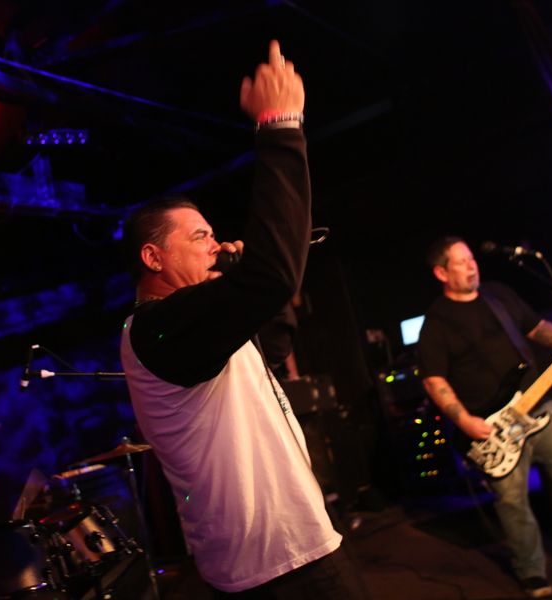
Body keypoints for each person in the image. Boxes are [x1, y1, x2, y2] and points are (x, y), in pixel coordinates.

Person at [120, 41, 365, 598]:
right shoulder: (156, 329)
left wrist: (247, 284)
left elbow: (270, 348)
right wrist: (280, 124)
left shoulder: (193, 327)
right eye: (199, 237)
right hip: (277, 566)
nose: (214, 244)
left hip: (284, 553)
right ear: (153, 258)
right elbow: (273, 276)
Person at [417, 236, 552, 598]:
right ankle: (531, 573)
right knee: (513, 501)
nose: (471, 266)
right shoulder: (437, 323)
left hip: (538, 406)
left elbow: (535, 327)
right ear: (441, 273)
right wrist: (463, 421)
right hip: (490, 427)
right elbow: (434, 379)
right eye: (460, 262)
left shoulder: (498, 295)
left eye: (471, 258)